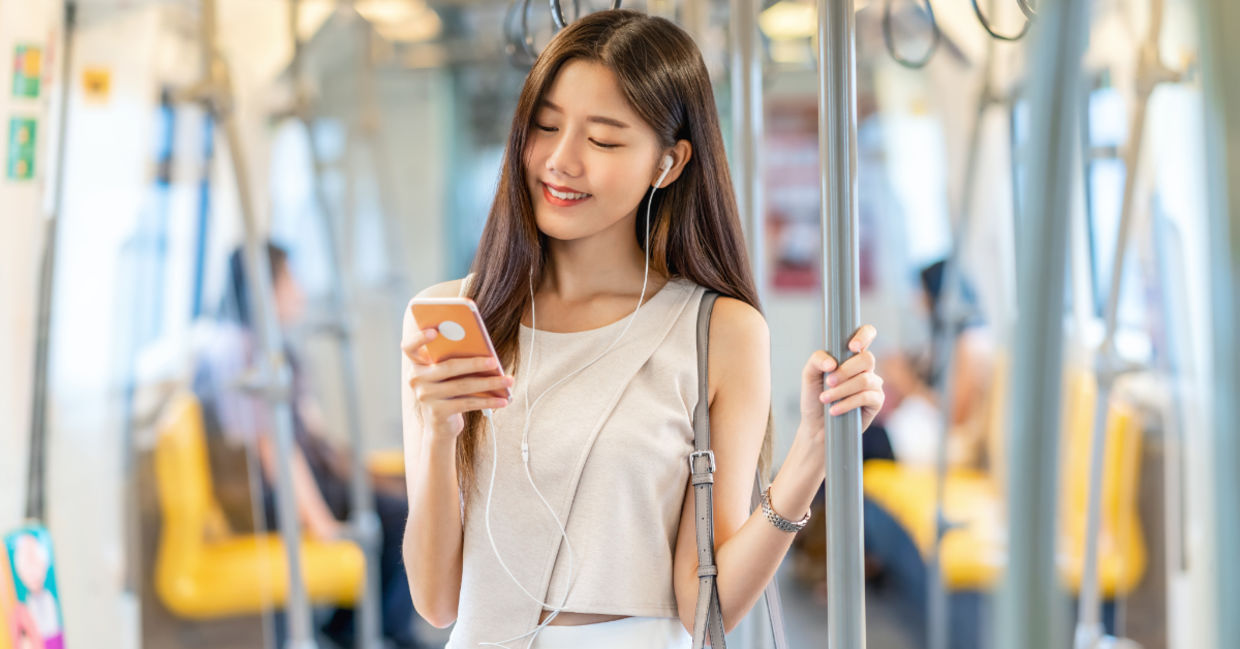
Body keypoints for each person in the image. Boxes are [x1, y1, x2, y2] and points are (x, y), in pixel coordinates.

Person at [399, 10, 885, 648]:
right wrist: (440, 431)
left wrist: (811, 455)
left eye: (602, 140)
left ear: (669, 162)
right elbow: (436, 601)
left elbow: (704, 604)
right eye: (545, 127)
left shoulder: (718, 331)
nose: (560, 161)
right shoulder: (454, 319)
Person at [194, 243, 417, 648]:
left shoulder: (277, 351)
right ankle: (375, 632)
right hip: (272, 498)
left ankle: (356, 627)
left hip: (315, 473)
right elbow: (274, 450)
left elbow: (312, 435)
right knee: (399, 513)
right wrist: (320, 523)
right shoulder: (244, 354)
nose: (299, 291)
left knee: (402, 488)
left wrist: (363, 472)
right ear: (264, 289)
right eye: (290, 281)